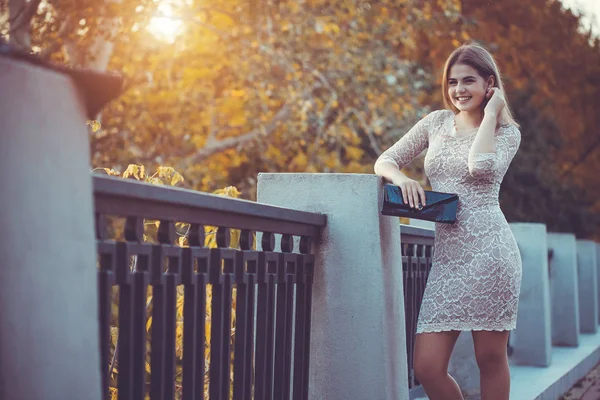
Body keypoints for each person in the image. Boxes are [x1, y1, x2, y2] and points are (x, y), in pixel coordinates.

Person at [374, 43, 522, 400]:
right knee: (427, 366)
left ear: (490, 84)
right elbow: (384, 160)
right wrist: (402, 178)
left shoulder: (507, 133)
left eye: (468, 81)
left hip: (491, 256)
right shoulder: (436, 123)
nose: (458, 90)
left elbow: (480, 167)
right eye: (453, 81)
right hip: (448, 260)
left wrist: (491, 115)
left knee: (490, 358)